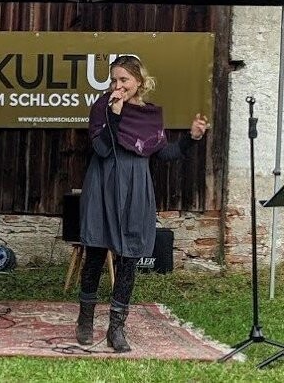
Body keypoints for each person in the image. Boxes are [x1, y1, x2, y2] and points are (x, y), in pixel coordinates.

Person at [76, 55, 208, 352]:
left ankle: (116, 329)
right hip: (104, 183)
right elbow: (100, 148)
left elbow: (164, 154)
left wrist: (191, 138)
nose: (118, 85)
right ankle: (85, 320)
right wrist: (115, 115)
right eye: (113, 80)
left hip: (136, 186)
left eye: (124, 80)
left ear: (139, 82)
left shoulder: (149, 115)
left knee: (129, 258)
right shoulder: (103, 107)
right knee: (95, 254)